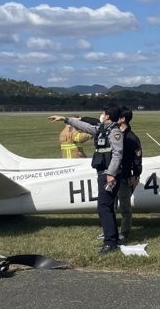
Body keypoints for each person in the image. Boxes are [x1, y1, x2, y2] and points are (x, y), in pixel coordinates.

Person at [49, 106, 124, 254]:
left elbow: (117, 154)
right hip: (103, 172)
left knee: (104, 207)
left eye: (103, 113)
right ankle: (112, 239)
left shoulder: (115, 132)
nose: (101, 115)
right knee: (107, 207)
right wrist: (65, 119)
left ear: (108, 116)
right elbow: (86, 126)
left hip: (108, 174)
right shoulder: (103, 129)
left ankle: (110, 242)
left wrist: (111, 174)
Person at [116, 109, 144, 239]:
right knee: (109, 205)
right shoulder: (113, 134)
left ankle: (124, 232)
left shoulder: (132, 138)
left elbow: (137, 159)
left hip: (124, 175)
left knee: (125, 206)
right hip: (111, 174)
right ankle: (110, 230)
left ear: (123, 119)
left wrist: (136, 175)